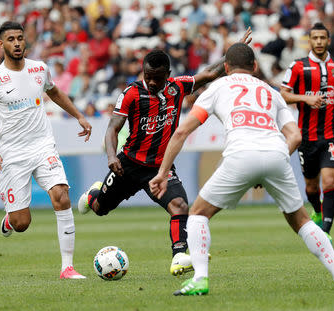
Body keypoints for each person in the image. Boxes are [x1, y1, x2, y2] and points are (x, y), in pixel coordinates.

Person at [149, 43, 334, 295]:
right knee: (302, 220)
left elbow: (182, 131)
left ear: (226, 68)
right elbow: (295, 136)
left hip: (240, 154)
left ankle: (200, 279)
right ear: (255, 67)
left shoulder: (218, 87)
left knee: (198, 214)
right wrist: (274, 161)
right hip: (276, 153)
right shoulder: (271, 91)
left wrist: (162, 173)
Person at [77, 28, 253, 277]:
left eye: (157, 78)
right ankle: (93, 194)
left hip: (160, 169)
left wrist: (232, 54)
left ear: (168, 76)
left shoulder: (178, 88)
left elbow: (210, 73)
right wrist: (111, 156)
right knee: (99, 208)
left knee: (180, 205)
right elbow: (112, 128)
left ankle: (179, 255)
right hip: (127, 165)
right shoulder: (131, 94)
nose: (151, 81)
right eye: (147, 76)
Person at [0, 21, 92, 279]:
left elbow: (55, 93)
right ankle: (9, 219)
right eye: (11, 39)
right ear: (1, 44)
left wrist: (79, 117)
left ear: (25, 41)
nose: (17, 43)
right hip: (11, 154)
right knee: (21, 223)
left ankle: (67, 267)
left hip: (43, 146)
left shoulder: (40, 69)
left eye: (20, 38)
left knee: (61, 195)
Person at [280, 23, 334, 235]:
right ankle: (317, 211)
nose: (319, 42)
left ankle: (326, 231)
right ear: (309, 41)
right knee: (311, 187)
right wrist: (305, 98)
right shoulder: (298, 66)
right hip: (307, 135)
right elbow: (282, 93)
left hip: (333, 133)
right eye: (315, 38)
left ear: (328, 40)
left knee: (329, 180)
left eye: (322, 38)